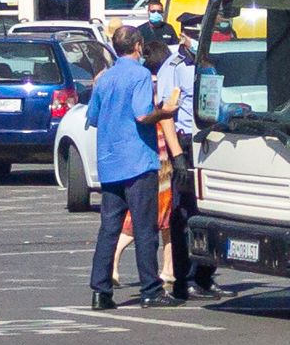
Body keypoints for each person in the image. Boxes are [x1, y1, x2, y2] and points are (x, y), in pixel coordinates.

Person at [85, 23, 171, 310]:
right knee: (146, 229)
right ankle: (150, 289)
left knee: (109, 227)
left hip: (110, 163)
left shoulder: (104, 79)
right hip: (137, 161)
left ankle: (100, 291)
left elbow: (94, 117)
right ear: (138, 46)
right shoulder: (141, 74)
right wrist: (165, 111)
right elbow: (143, 114)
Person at [152, 27, 214, 299]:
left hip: (211, 141)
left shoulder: (210, 62)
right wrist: (176, 155)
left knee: (209, 211)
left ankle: (205, 276)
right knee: (183, 214)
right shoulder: (173, 66)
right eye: (194, 34)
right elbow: (165, 112)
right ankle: (184, 278)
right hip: (185, 144)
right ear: (183, 37)